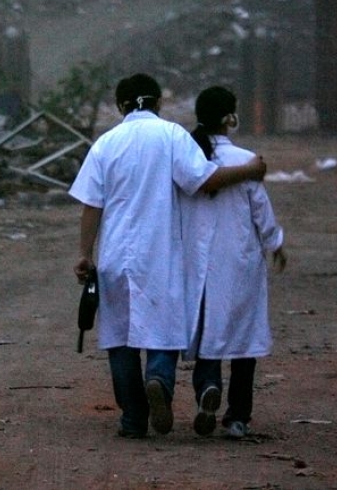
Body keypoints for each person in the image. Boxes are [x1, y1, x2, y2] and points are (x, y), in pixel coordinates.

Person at [70, 72, 268, 440]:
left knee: (119, 338)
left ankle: (133, 419)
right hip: (161, 252)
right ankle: (159, 378)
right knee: (162, 328)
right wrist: (249, 171)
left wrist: (85, 254)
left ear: (120, 106)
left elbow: (91, 205)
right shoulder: (173, 135)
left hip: (115, 254)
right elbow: (205, 180)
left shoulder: (105, 144)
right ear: (159, 102)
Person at [182, 85, 286, 440]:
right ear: (231, 118)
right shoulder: (246, 161)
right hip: (240, 260)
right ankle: (237, 418)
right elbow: (261, 211)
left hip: (200, 262)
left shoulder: (189, 160)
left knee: (208, 330)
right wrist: (276, 243)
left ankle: (208, 387)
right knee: (244, 336)